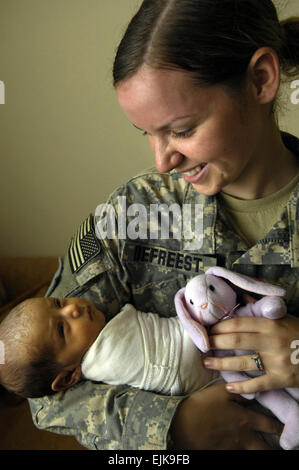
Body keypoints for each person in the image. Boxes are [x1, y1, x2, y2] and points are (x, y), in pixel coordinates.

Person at [27, 0, 299, 450]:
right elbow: (39, 387)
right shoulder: (132, 214)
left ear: (261, 79)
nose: (162, 160)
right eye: (147, 133)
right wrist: (172, 427)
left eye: (183, 129)